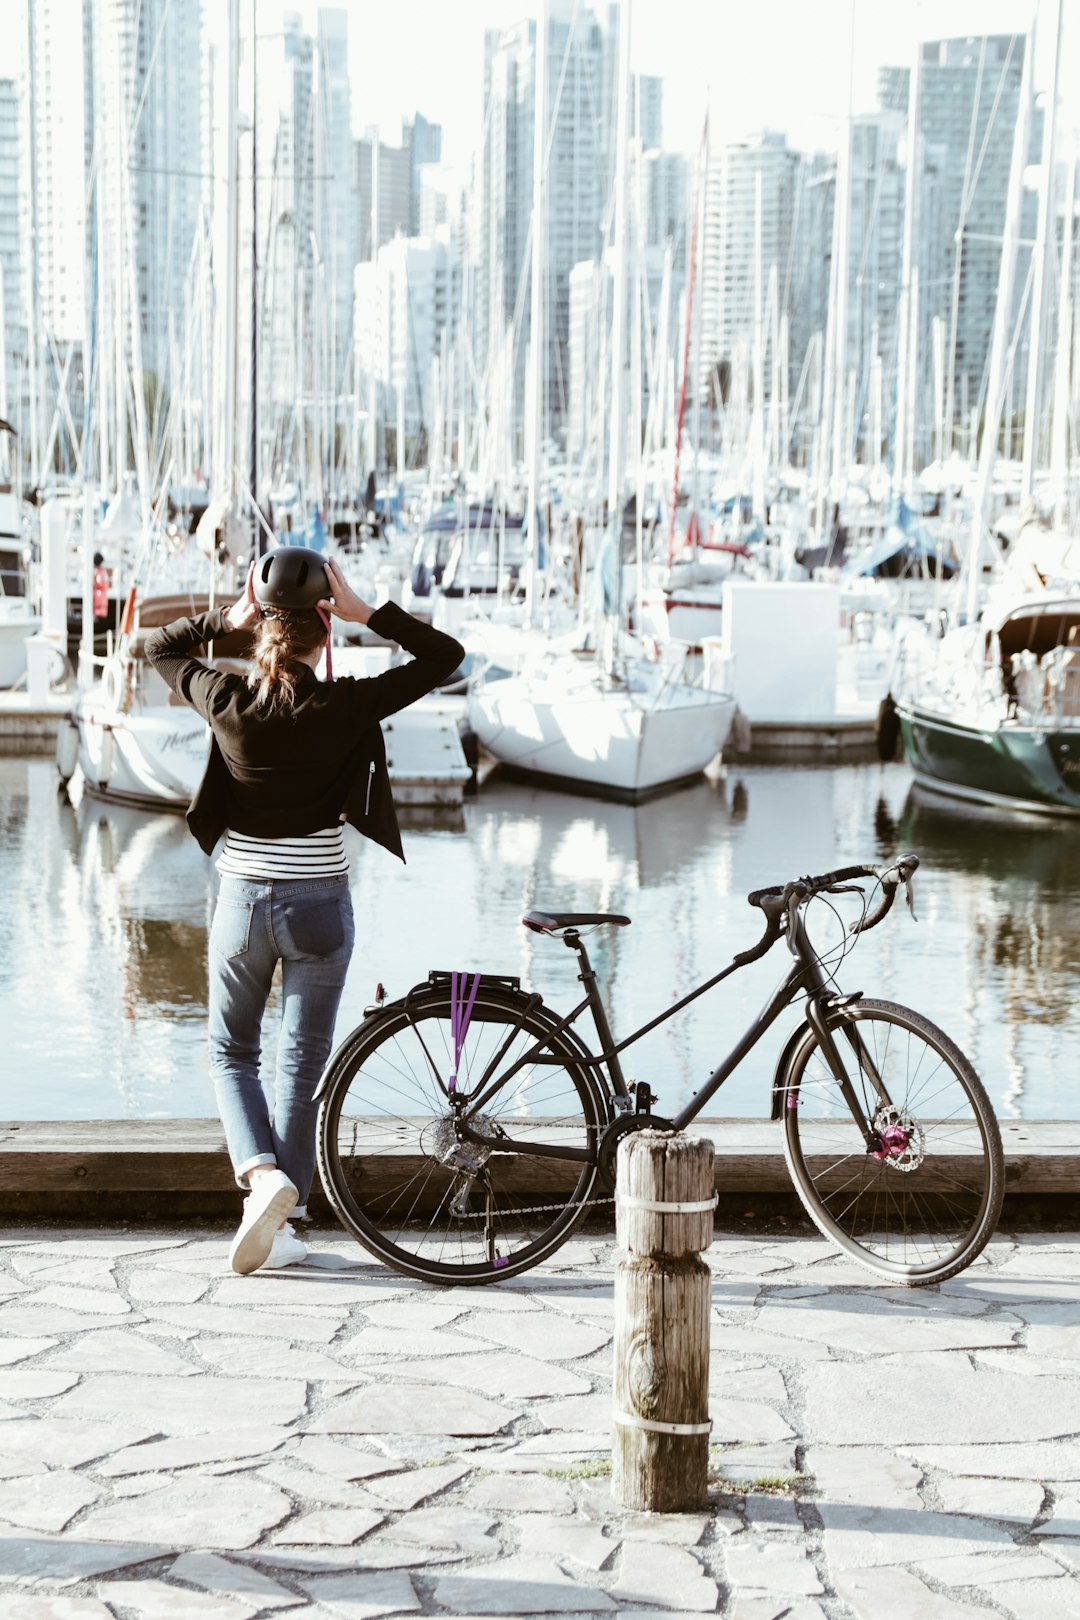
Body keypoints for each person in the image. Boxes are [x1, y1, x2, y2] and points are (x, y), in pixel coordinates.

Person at [145, 551, 465, 1274]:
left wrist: (225, 619)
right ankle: (287, 1225)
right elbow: (445, 655)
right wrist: (370, 614)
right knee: (302, 1063)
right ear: (324, 626)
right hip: (322, 902)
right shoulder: (347, 703)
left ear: (260, 625)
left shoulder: (224, 698)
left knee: (231, 1053)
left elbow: (156, 647)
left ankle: (262, 1178)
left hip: (245, 903)